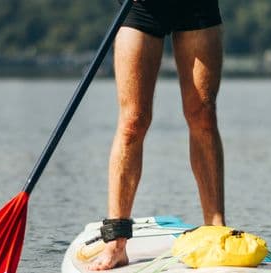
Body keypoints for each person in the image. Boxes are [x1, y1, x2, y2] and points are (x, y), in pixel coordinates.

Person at [89, 0, 225, 270]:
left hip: (197, 6)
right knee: (133, 122)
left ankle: (216, 230)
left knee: (203, 116)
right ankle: (116, 241)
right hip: (142, 8)